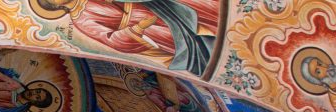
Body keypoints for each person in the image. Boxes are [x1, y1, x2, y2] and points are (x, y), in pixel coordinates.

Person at [31, 0, 217, 76]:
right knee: (187, 39)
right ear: (56, 7)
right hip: (148, 24)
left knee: (197, 12)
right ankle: (210, 51)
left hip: (151, 4)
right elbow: (113, 40)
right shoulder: (81, 19)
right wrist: (139, 27)